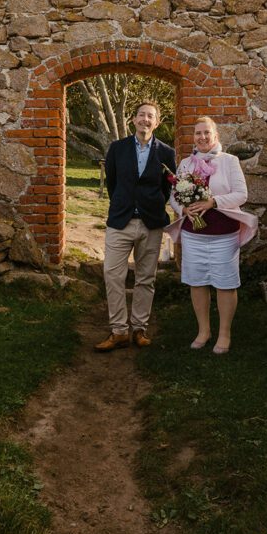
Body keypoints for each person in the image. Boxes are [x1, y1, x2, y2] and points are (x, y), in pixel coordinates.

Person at [164, 117, 258, 354]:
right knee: (197, 281)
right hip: (193, 234)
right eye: (198, 133)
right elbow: (174, 195)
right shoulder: (186, 163)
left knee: (225, 283)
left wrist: (213, 202)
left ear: (215, 135)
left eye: (207, 132)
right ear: (193, 137)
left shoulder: (229, 161)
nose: (202, 137)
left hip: (223, 234)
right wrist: (182, 208)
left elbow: (241, 195)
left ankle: (224, 334)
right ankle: (203, 331)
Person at [95, 101, 177, 352]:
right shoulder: (117, 148)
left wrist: (150, 205)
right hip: (121, 221)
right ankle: (119, 330)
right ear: (133, 120)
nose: (145, 119)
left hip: (151, 223)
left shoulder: (166, 152)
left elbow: (167, 188)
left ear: (157, 122)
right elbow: (113, 182)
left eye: (150, 116)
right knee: (112, 274)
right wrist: (125, 205)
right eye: (141, 115)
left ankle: (139, 328)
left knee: (145, 278)